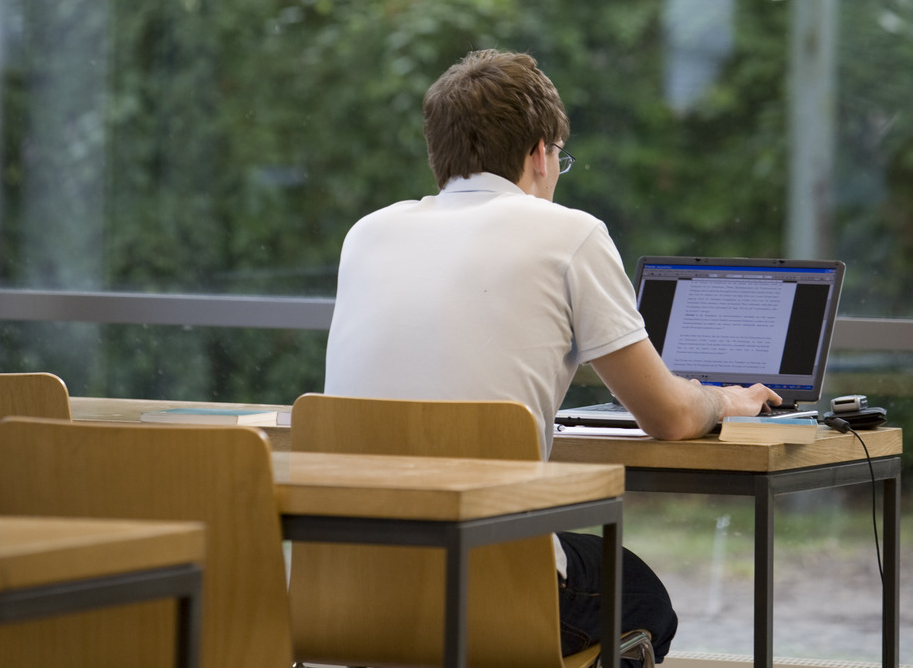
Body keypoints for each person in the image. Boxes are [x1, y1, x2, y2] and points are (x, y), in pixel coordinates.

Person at [325, 48, 780, 661]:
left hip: (350, 587)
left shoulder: (367, 234)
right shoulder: (569, 234)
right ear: (541, 152)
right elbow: (668, 417)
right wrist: (728, 398)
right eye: (560, 157)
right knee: (642, 597)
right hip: (495, 585)